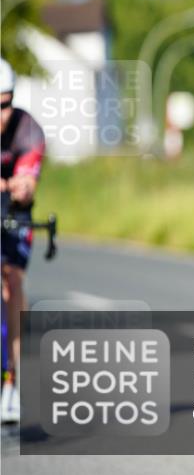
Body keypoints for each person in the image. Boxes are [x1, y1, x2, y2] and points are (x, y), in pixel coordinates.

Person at [0, 58, 45, 423]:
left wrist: (22, 186)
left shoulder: (28, 129)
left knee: (12, 280)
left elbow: (27, 184)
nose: (0, 113)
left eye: (5, 103)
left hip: (11, 212)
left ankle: (12, 378)